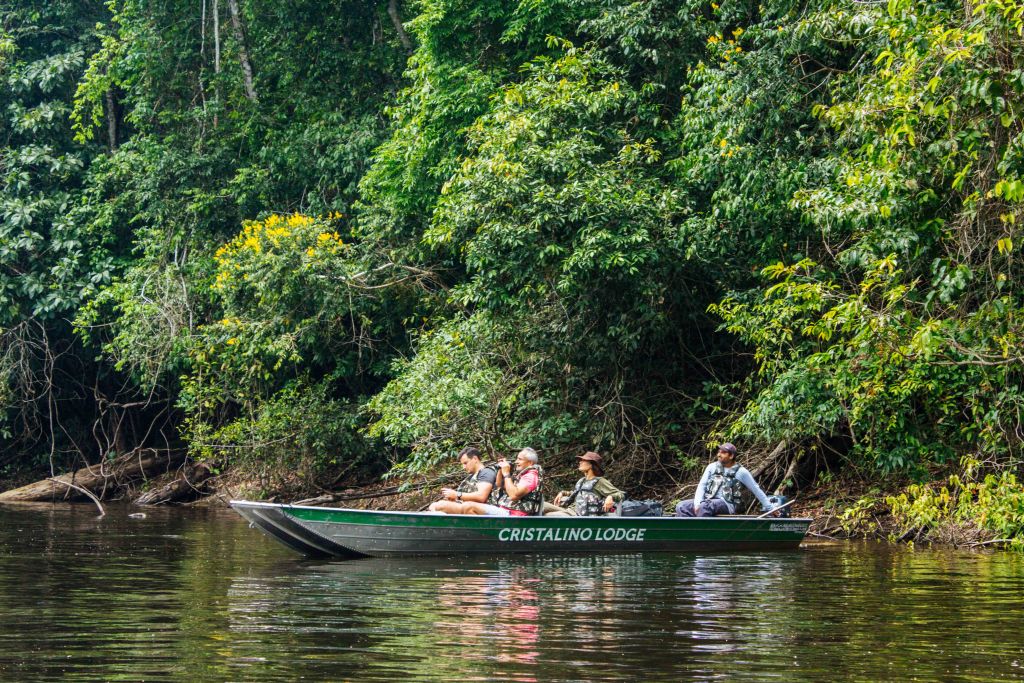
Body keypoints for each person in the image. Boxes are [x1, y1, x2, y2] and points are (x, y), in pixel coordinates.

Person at [675, 442, 777, 517]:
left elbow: (756, 489)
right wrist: (697, 503)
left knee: (705, 506)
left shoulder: (741, 472)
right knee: (682, 506)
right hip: (707, 502)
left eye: (723, 452)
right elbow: (702, 486)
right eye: (719, 452)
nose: (719, 454)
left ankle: (703, 534)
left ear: (731, 456)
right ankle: (690, 533)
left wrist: (771, 508)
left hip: (728, 505)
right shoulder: (711, 467)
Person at [461, 448, 543, 516]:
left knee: (469, 506)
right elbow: (499, 484)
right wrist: (501, 470)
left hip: (514, 514)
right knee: (467, 505)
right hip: (506, 510)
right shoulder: (522, 475)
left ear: (530, 462)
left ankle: (484, 534)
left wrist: (507, 474)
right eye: (517, 458)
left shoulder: (531, 476)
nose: (516, 462)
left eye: (520, 459)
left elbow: (514, 495)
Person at [544, 451, 624, 516]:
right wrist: (563, 493)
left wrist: (610, 497)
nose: (580, 462)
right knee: (540, 506)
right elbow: (578, 494)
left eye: (583, 460)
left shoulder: (600, 481)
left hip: (578, 515)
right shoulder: (582, 480)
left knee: (549, 516)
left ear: (591, 465)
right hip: (569, 510)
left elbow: (621, 494)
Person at [428, 446, 498, 514]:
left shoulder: (486, 472)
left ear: (475, 459)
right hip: (467, 507)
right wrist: (453, 499)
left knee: (440, 506)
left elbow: (481, 496)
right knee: (435, 505)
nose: (463, 467)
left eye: (465, 463)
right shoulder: (470, 477)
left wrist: (457, 495)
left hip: (482, 509)